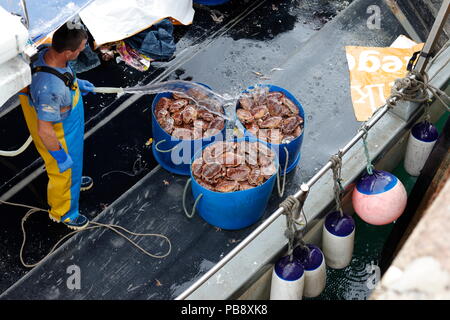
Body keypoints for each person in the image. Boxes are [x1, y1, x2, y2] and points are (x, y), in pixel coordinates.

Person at [19, 23, 96, 230]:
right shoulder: (50, 90)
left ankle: (75, 179)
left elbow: (63, 75)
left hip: (69, 124)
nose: (82, 51)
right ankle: (64, 213)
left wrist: (78, 83)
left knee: (74, 168)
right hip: (58, 136)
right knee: (63, 173)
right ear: (69, 52)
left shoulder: (47, 52)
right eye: (80, 48)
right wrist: (61, 157)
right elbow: (45, 130)